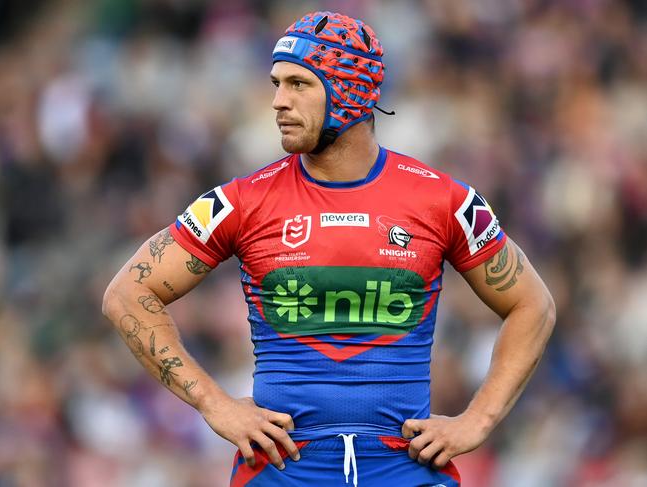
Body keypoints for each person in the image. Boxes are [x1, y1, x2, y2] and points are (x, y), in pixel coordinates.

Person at [103, 11, 556, 487]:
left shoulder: (443, 199)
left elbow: (532, 304)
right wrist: (213, 403)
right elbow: (127, 293)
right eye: (276, 84)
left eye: (299, 84)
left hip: (406, 467)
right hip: (281, 471)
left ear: (350, 90)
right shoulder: (242, 201)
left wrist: (477, 420)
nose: (278, 101)